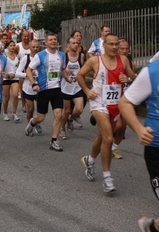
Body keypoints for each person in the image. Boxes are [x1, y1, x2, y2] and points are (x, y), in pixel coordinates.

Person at [77, 33, 136, 193]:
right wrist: (87, 90)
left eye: (117, 44)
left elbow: (132, 76)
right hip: (99, 102)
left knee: (103, 136)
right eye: (111, 44)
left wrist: (128, 79)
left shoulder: (123, 60)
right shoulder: (95, 60)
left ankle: (89, 160)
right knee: (109, 138)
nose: (115, 47)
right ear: (104, 45)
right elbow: (80, 75)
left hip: (116, 103)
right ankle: (107, 177)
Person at [118, 59, 159, 232]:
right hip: (156, 148)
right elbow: (125, 102)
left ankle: (152, 226)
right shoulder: (152, 72)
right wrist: (138, 129)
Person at [25, 33, 67, 152]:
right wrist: (34, 83)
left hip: (57, 89)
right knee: (41, 117)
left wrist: (67, 77)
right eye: (50, 40)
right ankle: (32, 122)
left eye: (55, 39)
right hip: (43, 89)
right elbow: (29, 70)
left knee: (58, 114)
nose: (53, 41)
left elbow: (62, 69)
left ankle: (54, 141)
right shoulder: (40, 55)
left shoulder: (62, 55)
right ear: (46, 43)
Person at [111, 39, 136, 159]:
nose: (125, 51)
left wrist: (129, 80)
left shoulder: (130, 63)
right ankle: (106, 139)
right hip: (111, 98)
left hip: (125, 98)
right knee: (118, 125)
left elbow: (134, 78)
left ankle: (114, 148)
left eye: (127, 49)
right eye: (122, 49)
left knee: (123, 127)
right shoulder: (110, 61)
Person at [58, 37, 86, 140]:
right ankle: (62, 129)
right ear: (68, 45)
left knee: (79, 109)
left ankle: (70, 119)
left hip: (77, 87)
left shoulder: (81, 56)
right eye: (73, 43)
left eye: (77, 43)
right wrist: (65, 74)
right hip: (66, 87)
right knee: (67, 110)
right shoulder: (63, 57)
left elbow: (84, 69)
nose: (75, 45)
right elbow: (59, 70)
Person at [16, 40, 42, 135]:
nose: (35, 49)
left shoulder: (42, 58)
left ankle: (36, 122)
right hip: (28, 88)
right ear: (29, 48)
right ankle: (30, 126)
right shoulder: (25, 59)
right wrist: (28, 75)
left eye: (37, 47)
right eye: (33, 47)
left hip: (40, 88)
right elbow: (17, 73)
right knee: (30, 109)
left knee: (41, 111)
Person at [2, 40, 20, 122]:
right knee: (6, 98)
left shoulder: (18, 56)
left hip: (15, 78)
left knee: (15, 95)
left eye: (13, 45)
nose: (12, 47)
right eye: (11, 45)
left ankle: (14, 113)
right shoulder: (4, 57)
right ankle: (5, 113)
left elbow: (20, 67)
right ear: (7, 47)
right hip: (6, 79)